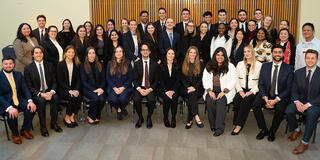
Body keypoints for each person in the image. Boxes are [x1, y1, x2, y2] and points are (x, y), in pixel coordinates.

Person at [252, 44, 294, 142]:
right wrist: (266, 98)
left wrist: (275, 100)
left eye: (280, 52)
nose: (277, 54)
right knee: (256, 105)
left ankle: (272, 131)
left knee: (280, 108)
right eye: (275, 52)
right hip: (267, 94)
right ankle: (263, 129)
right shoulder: (265, 66)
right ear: (271, 54)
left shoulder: (289, 68)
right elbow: (261, 84)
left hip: (281, 95)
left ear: (283, 54)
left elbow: (288, 88)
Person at [285, 49, 320, 154]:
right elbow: (293, 89)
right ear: (305, 59)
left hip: (315, 103)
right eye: (308, 58)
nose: (310, 60)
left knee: (311, 114)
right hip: (300, 101)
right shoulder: (298, 72)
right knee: (288, 111)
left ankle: (304, 142)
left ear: (317, 60)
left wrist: (309, 104)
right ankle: (296, 129)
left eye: (312, 58)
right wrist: (296, 101)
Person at [24, 46, 62, 137]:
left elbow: (54, 81)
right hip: (37, 92)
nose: (39, 55)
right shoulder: (28, 68)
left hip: (49, 91)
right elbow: (29, 87)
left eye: (40, 52)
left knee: (56, 98)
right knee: (41, 101)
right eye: (36, 53)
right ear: (33, 55)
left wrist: (52, 92)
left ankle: (54, 123)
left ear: (43, 54)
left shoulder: (49, 65)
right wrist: (41, 94)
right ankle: (43, 127)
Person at [0, 57, 36, 144]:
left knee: (31, 108)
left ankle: (25, 129)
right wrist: (9, 107)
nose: (8, 65)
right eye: (6, 64)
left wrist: (30, 100)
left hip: (18, 100)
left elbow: (25, 88)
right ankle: (15, 134)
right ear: (2, 65)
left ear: (13, 64)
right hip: (5, 103)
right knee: (11, 114)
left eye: (10, 63)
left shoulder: (18, 74)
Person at [203, 47, 237, 136]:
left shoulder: (230, 66)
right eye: (218, 55)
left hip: (225, 91)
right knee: (210, 101)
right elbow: (205, 79)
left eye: (222, 55)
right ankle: (213, 124)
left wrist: (224, 92)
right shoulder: (209, 65)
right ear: (215, 55)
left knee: (220, 102)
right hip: (211, 90)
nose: (220, 57)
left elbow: (233, 80)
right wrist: (209, 91)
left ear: (225, 56)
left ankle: (219, 128)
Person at [231, 45, 262, 135]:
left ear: (252, 52)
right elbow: (235, 78)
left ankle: (239, 125)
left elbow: (260, 82)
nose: (246, 53)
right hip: (241, 88)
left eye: (248, 51)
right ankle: (236, 120)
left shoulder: (259, 65)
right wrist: (240, 90)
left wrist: (251, 91)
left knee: (245, 101)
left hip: (253, 90)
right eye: (245, 52)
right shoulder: (240, 64)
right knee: (236, 100)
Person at [133, 43, 159, 129]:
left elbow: (156, 80)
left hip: (150, 87)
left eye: (147, 50)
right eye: (143, 50)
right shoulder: (137, 64)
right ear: (140, 52)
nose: (145, 52)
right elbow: (134, 79)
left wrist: (150, 89)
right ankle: (140, 118)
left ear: (150, 52)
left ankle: (149, 117)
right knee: (136, 99)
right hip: (140, 87)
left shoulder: (154, 64)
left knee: (152, 100)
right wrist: (139, 89)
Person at [80, 47, 106, 124]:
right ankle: (91, 116)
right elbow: (84, 81)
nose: (92, 55)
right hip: (87, 89)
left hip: (99, 88)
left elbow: (103, 79)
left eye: (93, 53)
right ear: (87, 55)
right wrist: (93, 90)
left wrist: (101, 88)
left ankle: (95, 115)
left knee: (102, 99)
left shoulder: (100, 64)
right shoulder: (83, 65)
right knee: (95, 98)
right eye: (90, 53)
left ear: (95, 54)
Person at [57, 46, 81, 128]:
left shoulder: (76, 64)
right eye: (69, 52)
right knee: (72, 97)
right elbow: (60, 81)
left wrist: (77, 90)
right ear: (65, 53)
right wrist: (69, 90)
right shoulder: (60, 64)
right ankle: (67, 117)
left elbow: (78, 79)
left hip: (74, 88)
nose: (71, 54)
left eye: (73, 52)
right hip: (63, 89)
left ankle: (72, 116)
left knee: (79, 96)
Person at [180, 46, 205, 129]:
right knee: (192, 95)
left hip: (197, 88)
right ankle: (196, 116)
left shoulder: (201, 64)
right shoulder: (183, 63)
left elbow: (202, 78)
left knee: (192, 95)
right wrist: (188, 87)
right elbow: (182, 78)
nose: (192, 54)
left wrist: (194, 87)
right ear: (188, 53)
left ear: (196, 54)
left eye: (194, 53)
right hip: (185, 88)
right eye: (191, 52)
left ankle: (190, 120)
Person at [106, 46, 133, 120]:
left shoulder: (128, 63)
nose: (118, 53)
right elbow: (108, 78)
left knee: (123, 99)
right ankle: (120, 109)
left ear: (123, 53)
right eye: (117, 51)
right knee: (112, 99)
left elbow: (130, 78)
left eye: (120, 51)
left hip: (125, 87)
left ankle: (120, 109)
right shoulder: (109, 63)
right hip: (113, 87)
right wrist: (114, 88)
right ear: (114, 53)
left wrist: (123, 87)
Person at [158, 48, 181, 128]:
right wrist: (167, 91)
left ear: (174, 55)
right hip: (164, 89)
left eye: (172, 54)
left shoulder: (178, 66)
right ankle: (166, 118)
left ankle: (173, 118)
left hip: (175, 89)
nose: (171, 55)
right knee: (167, 99)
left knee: (174, 98)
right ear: (166, 55)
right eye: (169, 53)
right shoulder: (161, 66)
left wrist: (173, 90)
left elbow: (178, 80)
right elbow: (160, 80)